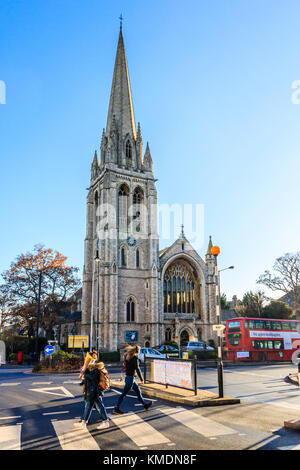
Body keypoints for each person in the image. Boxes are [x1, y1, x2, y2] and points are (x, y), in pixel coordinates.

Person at [114, 345, 152, 415]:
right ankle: (117, 408)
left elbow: (125, 365)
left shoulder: (128, 357)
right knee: (124, 394)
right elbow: (137, 369)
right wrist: (142, 379)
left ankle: (144, 405)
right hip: (130, 378)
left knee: (138, 391)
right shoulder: (135, 358)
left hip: (130, 377)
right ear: (138, 351)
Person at [75, 362, 109, 429]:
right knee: (88, 407)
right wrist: (82, 381)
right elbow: (88, 380)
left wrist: (85, 374)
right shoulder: (90, 372)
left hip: (95, 393)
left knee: (100, 407)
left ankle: (105, 422)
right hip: (91, 393)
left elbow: (93, 378)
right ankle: (84, 422)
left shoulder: (96, 371)